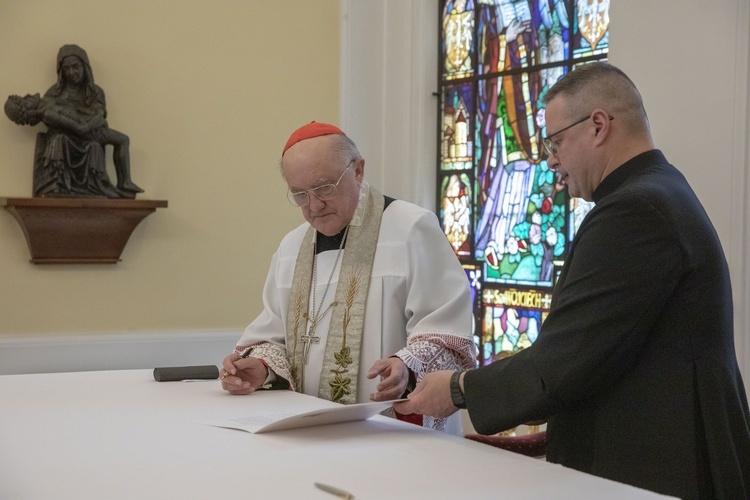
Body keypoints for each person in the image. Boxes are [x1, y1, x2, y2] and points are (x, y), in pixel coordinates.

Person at [394, 62, 750, 498]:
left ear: (598, 125)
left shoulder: (635, 211)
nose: (550, 159)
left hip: (661, 466)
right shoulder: (658, 191)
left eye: (557, 141)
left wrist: (457, 388)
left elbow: (566, 361)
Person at [220, 121, 476, 432]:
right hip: (309, 432)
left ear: (358, 170)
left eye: (324, 187)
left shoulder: (410, 229)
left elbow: (446, 330)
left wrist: (406, 367)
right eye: (299, 194)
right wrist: (261, 367)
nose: (314, 205)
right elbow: (272, 334)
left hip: (392, 432)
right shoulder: (291, 247)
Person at [38, 44, 141, 197]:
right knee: (59, 139)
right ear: (61, 71)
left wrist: (85, 127)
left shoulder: (95, 91)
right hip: (67, 134)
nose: (72, 72)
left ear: (85, 67)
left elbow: (99, 115)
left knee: (122, 140)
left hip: (91, 132)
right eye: (67, 68)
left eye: (76, 66)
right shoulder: (54, 93)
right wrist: (73, 126)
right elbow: (48, 118)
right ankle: (58, 184)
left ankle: (125, 181)